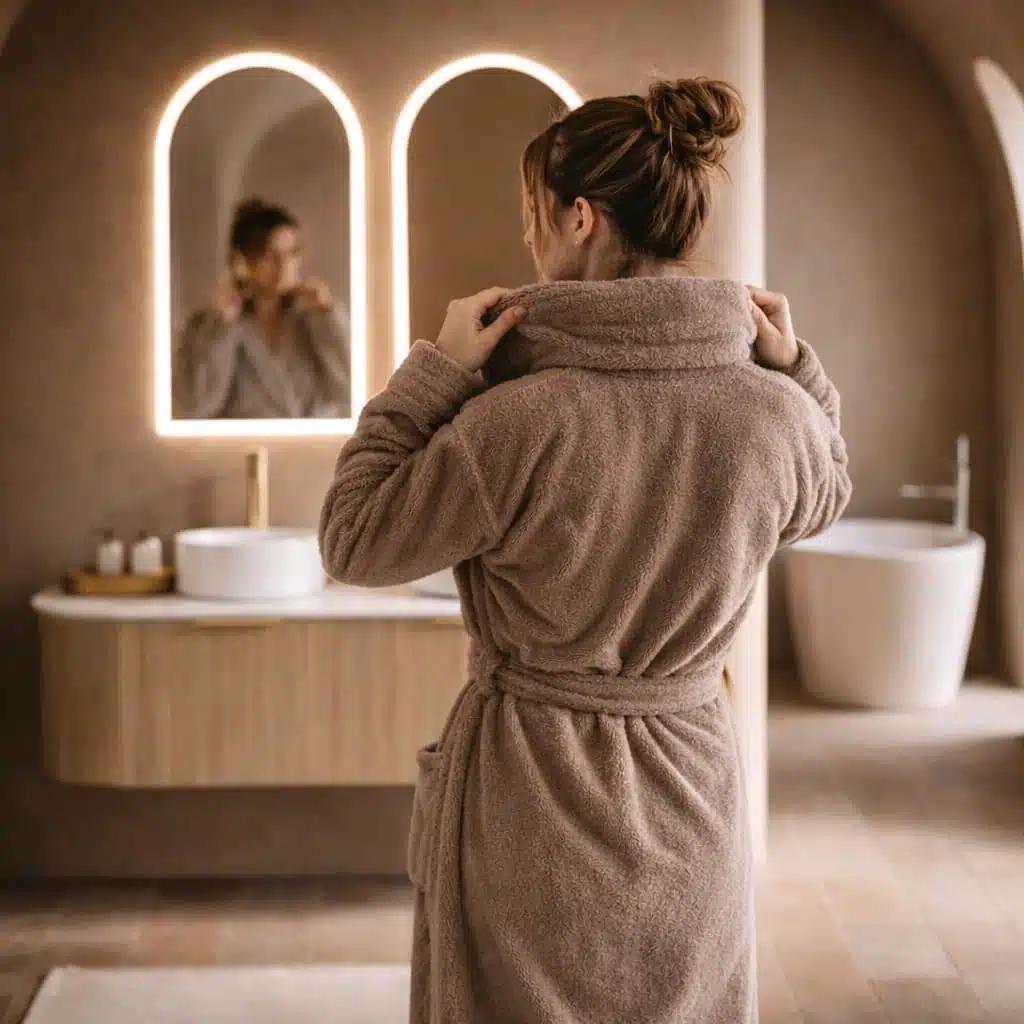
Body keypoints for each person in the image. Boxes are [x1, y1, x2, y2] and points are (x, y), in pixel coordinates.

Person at [320, 78, 851, 1023]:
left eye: (531, 217)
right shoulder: (776, 422)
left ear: (577, 218)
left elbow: (353, 540)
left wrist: (433, 373)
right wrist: (797, 373)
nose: (528, 241)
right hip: (694, 787)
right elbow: (829, 491)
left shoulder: (512, 422)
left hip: (532, 797)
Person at [173, 198, 350, 419]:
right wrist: (219, 329)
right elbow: (195, 406)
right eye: (270, 255)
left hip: (313, 449)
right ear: (242, 261)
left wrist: (327, 318)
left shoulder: (317, 321)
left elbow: (355, 391)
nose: (284, 265)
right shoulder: (207, 326)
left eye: (292, 253)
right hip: (240, 449)